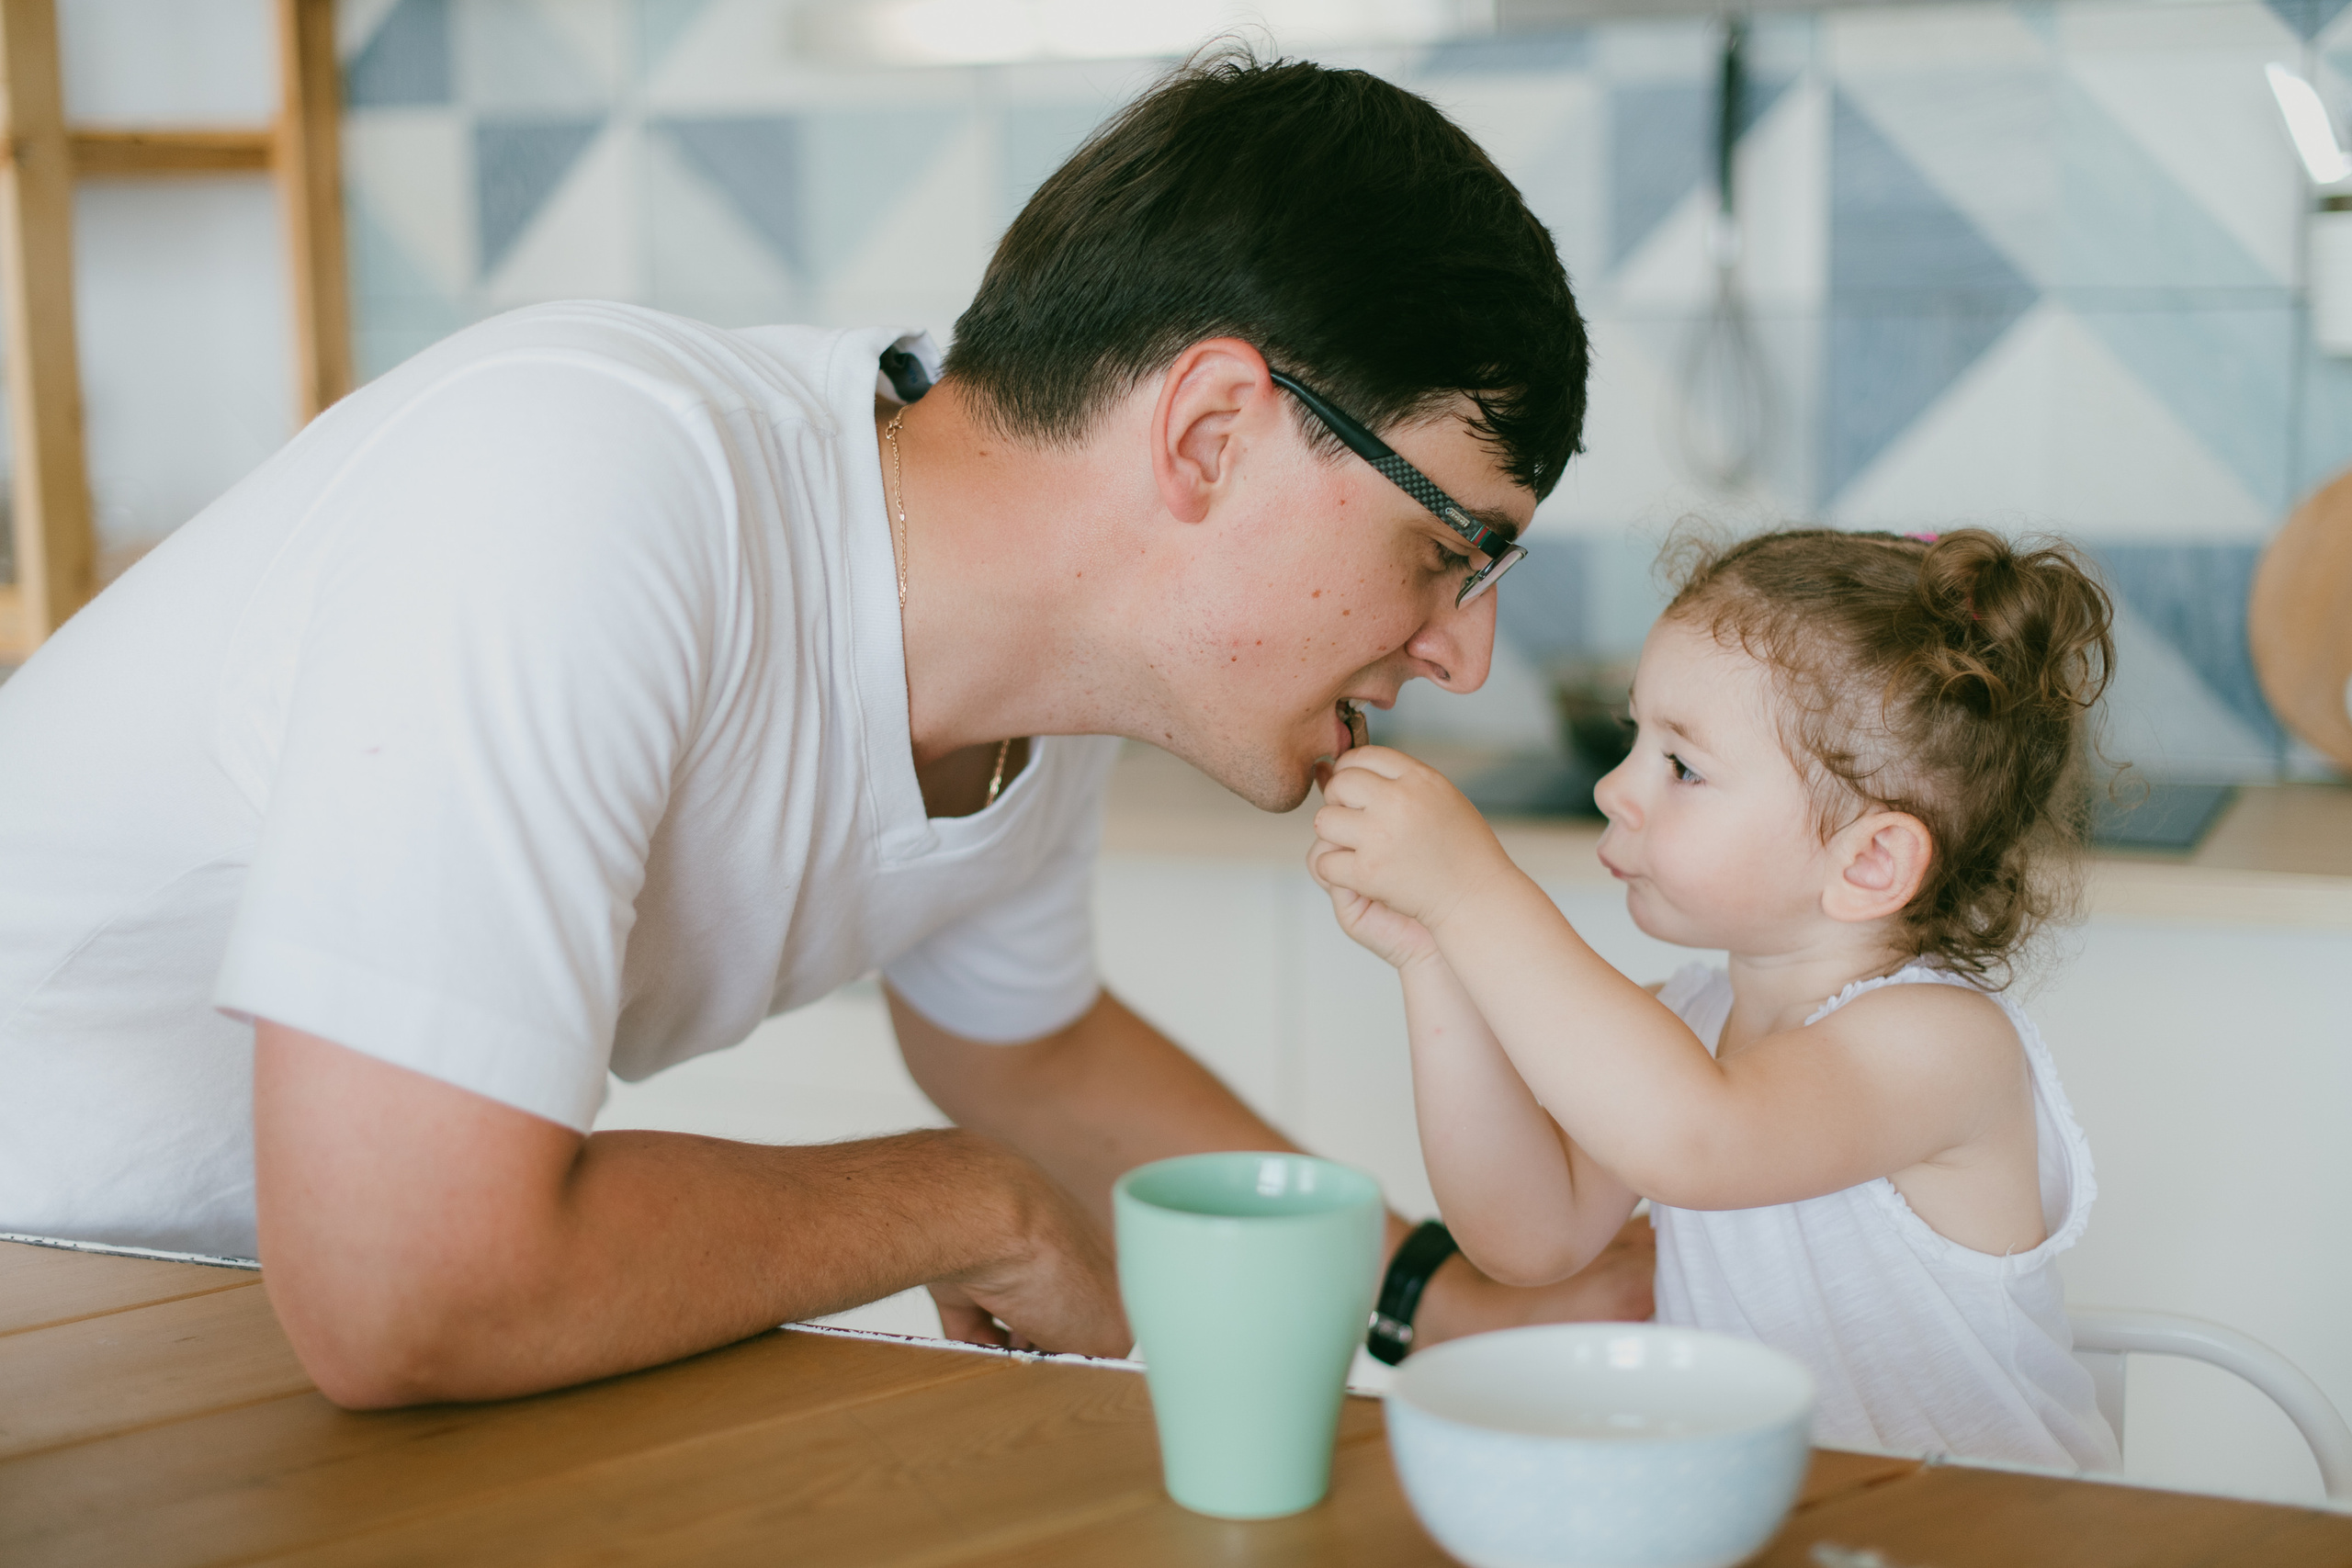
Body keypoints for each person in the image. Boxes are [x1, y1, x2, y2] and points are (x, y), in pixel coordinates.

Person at [0, 53, 1651, 1409]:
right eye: (1452, 546)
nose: (1463, 646)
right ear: (1213, 433)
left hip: (218, 1337)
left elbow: (1025, 1050)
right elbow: (403, 1279)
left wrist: (1446, 1301)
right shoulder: (581, 491)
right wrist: (970, 1198)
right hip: (54, 1285)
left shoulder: (1043, 684)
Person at [1308, 526, 2124, 1470]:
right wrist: (1433, 953)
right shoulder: (1686, 1025)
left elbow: (1694, 1138)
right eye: (1634, 740)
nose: (1616, 788)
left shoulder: (1942, 1045)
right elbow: (1526, 1238)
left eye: (1682, 767)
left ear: (1868, 861)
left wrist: (1472, 891)